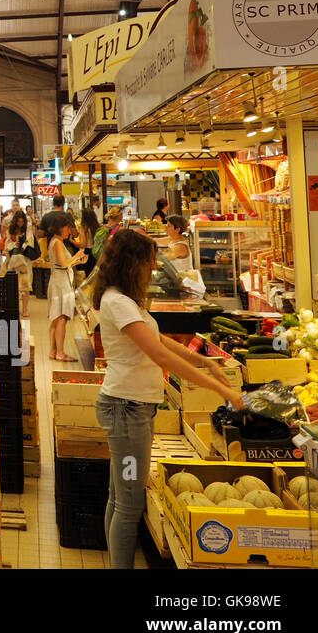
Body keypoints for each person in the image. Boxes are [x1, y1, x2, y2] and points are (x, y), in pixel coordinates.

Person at [90, 230, 243, 569]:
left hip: (131, 410)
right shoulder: (117, 302)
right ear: (133, 263)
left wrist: (203, 359)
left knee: (120, 498)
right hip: (126, 412)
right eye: (149, 261)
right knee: (128, 504)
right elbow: (159, 355)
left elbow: (158, 339)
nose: (153, 267)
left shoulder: (127, 301)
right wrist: (223, 390)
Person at [44, 211, 86, 363]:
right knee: (62, 319)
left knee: (56, 319)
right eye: (68, 228)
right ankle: (60, 352)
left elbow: (61, 264)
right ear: (61, 228)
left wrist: (77, 262)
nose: (70, 231)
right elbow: (63, 264)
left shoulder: (54, 242)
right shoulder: (58, 243)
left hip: (58, 282)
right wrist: (77, 256)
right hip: (61, 285)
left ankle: (53, 351)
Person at [1, 210, 39, 315]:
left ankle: (25, 309)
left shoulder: (28, 230)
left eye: (22, 222)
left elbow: (30, 242)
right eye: (19, 222)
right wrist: (14, 245)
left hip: (24, 261)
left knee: (25, 286)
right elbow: (7, 243)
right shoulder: (10, 231)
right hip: (13, 260)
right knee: (13, 286)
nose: (20, 224)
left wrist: (21, 244)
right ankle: (15, 308)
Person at [78, 206, 101, 277]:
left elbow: (83, 244)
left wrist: (72, 241)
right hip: (97, 251)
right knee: (96, 274)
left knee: (88, 275)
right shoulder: (98, 226)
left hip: (87, 252)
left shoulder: (84, 227)